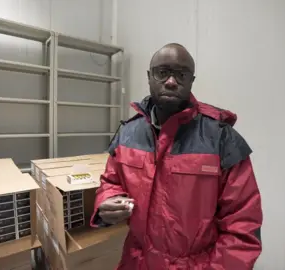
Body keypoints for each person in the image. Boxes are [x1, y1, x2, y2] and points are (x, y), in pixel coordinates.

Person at [91, 43, 262, 269]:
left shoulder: (221, 139)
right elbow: (111, 182)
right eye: (162, 73)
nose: (171, 82)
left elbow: (242, 228)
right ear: (149, 77)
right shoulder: (128, 133)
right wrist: (107, 200)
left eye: (181, 74)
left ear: (191, 80)